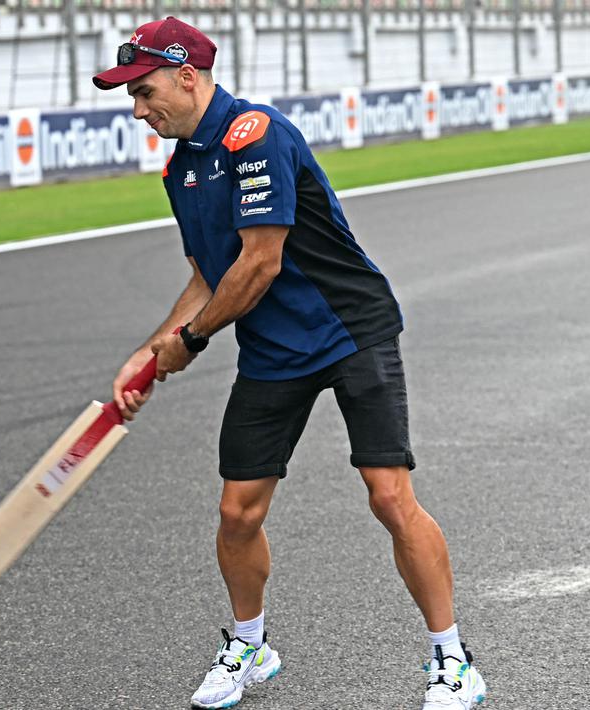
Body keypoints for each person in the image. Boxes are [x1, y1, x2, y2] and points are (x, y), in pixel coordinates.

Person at [92, 17, 487, 710]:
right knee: (236, 512)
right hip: (275, 348)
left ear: (187, 76)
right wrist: (149, 354)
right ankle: (251, 646)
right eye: (130, 96)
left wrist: (190, 341)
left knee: (388, 495)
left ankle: (452, 661)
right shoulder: (180, 169)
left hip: (349, 329)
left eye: (144, 91)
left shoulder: (257, 135)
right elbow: (208, 275)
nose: (137, 109)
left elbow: (259, 262)